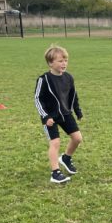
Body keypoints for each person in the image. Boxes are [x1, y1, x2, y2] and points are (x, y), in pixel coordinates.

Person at [34, 45, 83, 184]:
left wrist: (77, 110)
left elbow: (73, 95)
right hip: (50, 116)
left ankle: (66, 158)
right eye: (60, 61)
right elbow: (38, 99)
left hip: (65, 113)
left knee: (77, 138)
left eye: (65, 60)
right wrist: (45, 117)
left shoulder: (68, 78)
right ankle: (55, 173)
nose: (64, 64)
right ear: (50, 63)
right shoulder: (44, 79)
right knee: (55, 142)